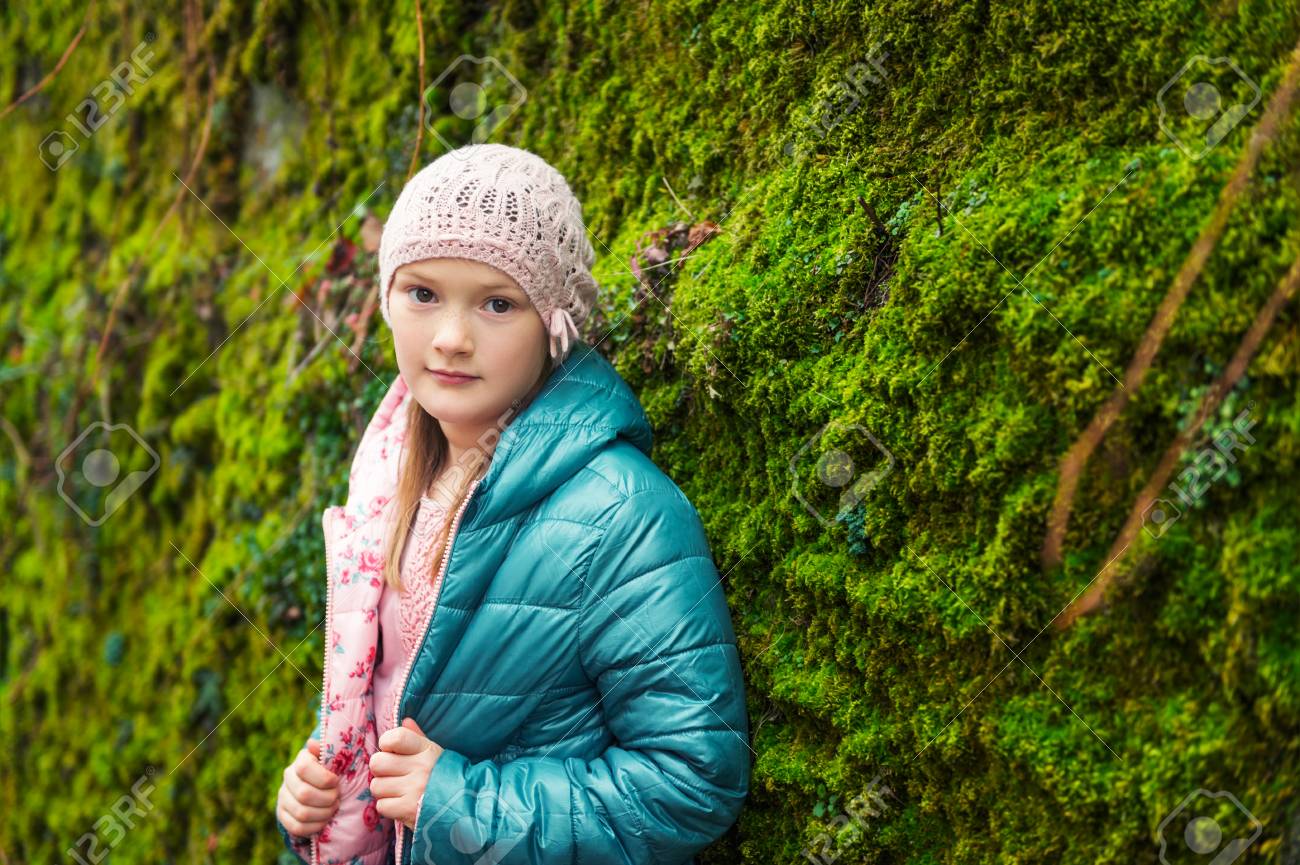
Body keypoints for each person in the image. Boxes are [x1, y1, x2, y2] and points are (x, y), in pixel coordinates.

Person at [274, 143, 750, 865]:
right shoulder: (384, 478)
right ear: (385, 299)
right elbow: (392, 697)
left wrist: (459, 803)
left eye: (498, 303)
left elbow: (694, 779)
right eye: (423, 293)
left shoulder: (620, 511)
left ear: (554, 325)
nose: (452, 338)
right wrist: (318, 788)